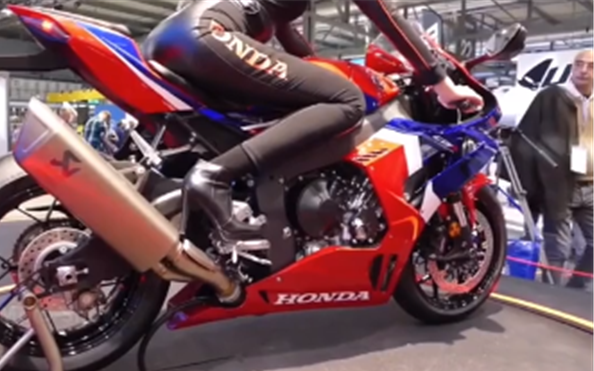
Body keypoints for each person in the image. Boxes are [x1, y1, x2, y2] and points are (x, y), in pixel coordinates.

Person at [142, 0, 485, 242]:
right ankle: (215, 176)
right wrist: (442, 84)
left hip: (173, 36)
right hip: (209, 34)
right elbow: (387, 16)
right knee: (348, 99)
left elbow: (284, 31)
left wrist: (315, 68)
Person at [516, 49, 593, 289]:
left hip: (590, 184)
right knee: (557, 248)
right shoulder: (551, 97)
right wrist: (530, 187)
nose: (583, 70)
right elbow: (524, 139)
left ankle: (574, 288)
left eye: (591, 66)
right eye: (579, 64)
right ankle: (552, 293)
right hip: (558, 185)